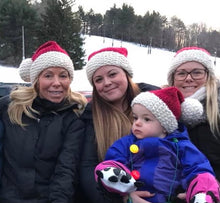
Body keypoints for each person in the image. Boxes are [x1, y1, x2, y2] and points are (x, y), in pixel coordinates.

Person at [95, 87, 220, 203]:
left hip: (169, 197)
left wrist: (195, 187)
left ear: (165, 126)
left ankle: (202, 197)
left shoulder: (181, 146)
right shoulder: (127, 142)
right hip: (134, 193)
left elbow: (198, 167)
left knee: (205, 178)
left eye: (146, 119)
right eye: (135, 117)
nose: (137, 123)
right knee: (105, 167)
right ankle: (117, 179)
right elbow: (115, 157)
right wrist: (115, 169)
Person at [0, 41, 87, 203]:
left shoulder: (73, 117)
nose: (57, 82)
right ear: (36, 80)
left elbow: (66, 170)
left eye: (63, 75)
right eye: (48, 75)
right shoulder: (10, 108)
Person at [77, 47, 159, 203]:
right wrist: (122, 197)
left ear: (126, 74)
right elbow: (88, 167)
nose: (107, 83)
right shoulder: (91, 118)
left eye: (112, 74)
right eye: (98, 79)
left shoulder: (154, 103)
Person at [167, 46, 220, 182]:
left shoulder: (216, 113)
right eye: (181, 73)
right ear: (172, 79)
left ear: (209, 76)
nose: (188, 78)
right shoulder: (160, 111)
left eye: (197, 72)